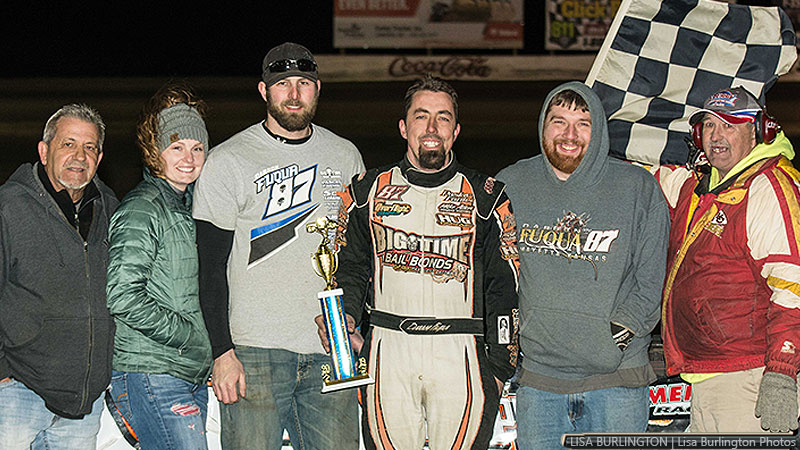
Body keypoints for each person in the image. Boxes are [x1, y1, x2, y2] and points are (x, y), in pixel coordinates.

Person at [325, 73, 520, 450]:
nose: (432, 127)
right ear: (403, 127)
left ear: (456, 130)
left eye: (443, 117)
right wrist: (344, 320)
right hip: (388, 349)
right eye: (421, 116)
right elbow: (348, 269)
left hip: (461, 351)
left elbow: (505, 290)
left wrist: (499, 368)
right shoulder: (366, 192)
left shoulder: (487, 198)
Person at [192, 42, 365, 450]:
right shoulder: (229, 159)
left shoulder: (345, 155)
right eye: (282, 83)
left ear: (317, 89)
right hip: (254, 352)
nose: (293, 93)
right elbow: (210, 267)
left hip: (329, 349)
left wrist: (353, 322)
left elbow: (358, 256)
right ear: (263, 91)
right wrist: (222, 352)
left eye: (303, 83)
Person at [495, 81, 669, 449]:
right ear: (543, 125)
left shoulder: (637, 187)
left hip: (617, 382)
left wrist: (612, 339)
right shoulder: (510, 184)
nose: (569, 135)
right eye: (558, 121)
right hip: (539, 383)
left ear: (600, 129)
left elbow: (650, 280)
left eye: (583, 123)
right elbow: (497, 276)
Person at [652, 86, 800, 433]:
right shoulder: (701, 184)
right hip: (705, 376)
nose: (716, 136)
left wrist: (781, 372)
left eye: (730, 125)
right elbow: (643, 180)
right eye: (708, 125)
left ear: (759, 131)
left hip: (745, 378)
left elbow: (793, 286)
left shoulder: (767, 187)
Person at [0, 104, 119, 449]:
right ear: (44, 150)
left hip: (84, 405)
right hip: (17, 394)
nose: (78, 156)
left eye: (89, 147)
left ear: (99, 157)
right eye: (68, 144)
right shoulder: (9, 207)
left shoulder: (111, 210)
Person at [105, 83, 213, 449]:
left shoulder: (194, 206)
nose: (189, 158)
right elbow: (122, 295)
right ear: (156, 151)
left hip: (187, 370)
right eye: (177, 147)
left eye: (198, 148)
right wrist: (188, 334)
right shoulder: (143, 208)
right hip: (153, 371)